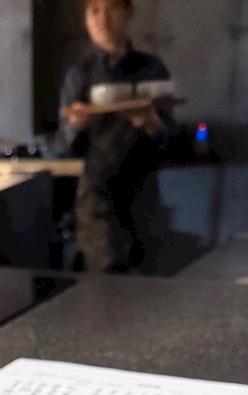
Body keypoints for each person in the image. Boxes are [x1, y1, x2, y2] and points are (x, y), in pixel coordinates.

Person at [60, 0, 178, 272]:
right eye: (94, 11)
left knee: (148, 279)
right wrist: (76, 125)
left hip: (144, 191)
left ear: (128, 13)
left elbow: (171, 143)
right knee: (103, 281)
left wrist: (151, 124)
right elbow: (63, 146)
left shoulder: (151, 68)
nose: (103, 19)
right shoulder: (80, 73)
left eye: (111, 9)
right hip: (97, 194)